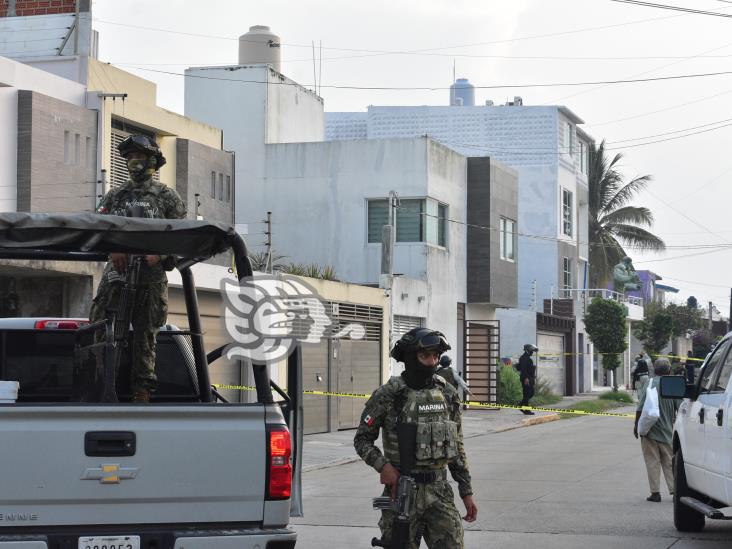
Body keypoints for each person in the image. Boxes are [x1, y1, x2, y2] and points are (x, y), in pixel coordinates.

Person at [354, 328, 478, 548]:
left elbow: (456, 445)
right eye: (424, 356)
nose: (431, 362)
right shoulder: (389, 395)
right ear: (410, 358)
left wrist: (466, 491)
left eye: (435, 356)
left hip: (440, 491)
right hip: (400, 492)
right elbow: (362, 439)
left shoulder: (447, 393)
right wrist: (383, 467)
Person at [89, 135, 187, 403]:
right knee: (100, 327)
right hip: (117, 274)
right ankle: (99, 382)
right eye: (130, 157)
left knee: (146, 336)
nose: (134, 162)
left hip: (151, 279)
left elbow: (181, 236)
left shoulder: (167, 197)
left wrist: (161, 253)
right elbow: (95, 224)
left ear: (153, 162)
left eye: (140, 157)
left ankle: (142, 392)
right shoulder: (116, 195)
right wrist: (114, 249)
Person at [633, 358, 680, 502]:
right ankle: (674, 491)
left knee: (652, 462)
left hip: (649, 430)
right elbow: (680, 408)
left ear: (654, 370)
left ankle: (655, 493)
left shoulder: (650, 382)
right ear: (669, 370)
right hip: (667, 431)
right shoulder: (673, 385)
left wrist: (636, 426)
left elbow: (641, 407)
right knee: (670, 462)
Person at [517, 344, 538, 415]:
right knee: (527, 394)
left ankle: (521, 405)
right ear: (527, 350)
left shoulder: (527, 358)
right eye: (531, 351)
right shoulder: (524, 358)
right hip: (526, 379)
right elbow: (523, 369)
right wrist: (526, 378)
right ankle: (527, 410)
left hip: (530, 378)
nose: (532, 352)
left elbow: (520, 367)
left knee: (531, 393)